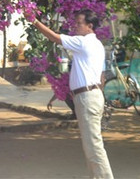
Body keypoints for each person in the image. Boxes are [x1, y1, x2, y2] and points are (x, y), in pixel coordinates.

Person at [30, 10, 114, 179]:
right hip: (93, 95)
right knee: (91, 144)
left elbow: (54, 37)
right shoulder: (97, 45)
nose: (75, 26)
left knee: (93, 145)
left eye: (79, 23)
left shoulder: (83, 42)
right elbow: (102, 77)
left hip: (87, 97)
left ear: (89, 26)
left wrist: (34, 21)